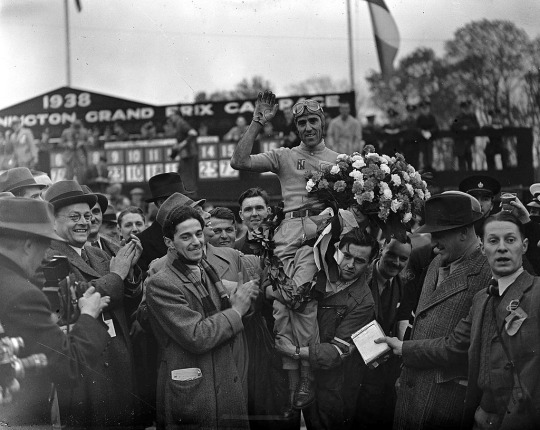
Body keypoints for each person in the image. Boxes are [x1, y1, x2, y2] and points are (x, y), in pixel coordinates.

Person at [379, 212, 540, 430]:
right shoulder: (482, 299)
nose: (502, 248)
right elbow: (454, 345)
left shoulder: (536, 293)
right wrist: (403, 348)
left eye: (510, 240)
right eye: (493, 241)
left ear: (525, 245)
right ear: (483, 248)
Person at [231, 91, 339, 410]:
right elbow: (239, 161)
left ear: (323, 123)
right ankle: (293, 381)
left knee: (300, 299)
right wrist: (257, 122)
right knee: (281, 307)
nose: (308, 127)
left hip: (315, 234)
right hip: (285, 233)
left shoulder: (340, 161)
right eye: (302, 123)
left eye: (313, 120)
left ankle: (306, 375)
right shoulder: (285, 156)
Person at [0, 197, 110, 427]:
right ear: (28, 245)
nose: (44, 257)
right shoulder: (24, 295)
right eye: (44, 246)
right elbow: (68, 368)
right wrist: (88, 316)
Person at [145, 205, 258, 429]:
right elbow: (196, 336)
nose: (196, 242)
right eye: (186, 237)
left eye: (198, 233)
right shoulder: (161, 283)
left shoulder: (205, 270)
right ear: (169, 242)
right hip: (195, 391)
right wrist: (236, 310)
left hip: (223, 383)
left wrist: (241, 300)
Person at [42, 180, 143, 428]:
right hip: (86, 369)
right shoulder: (48, 257)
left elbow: (125, 299)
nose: (84, 222)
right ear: (52, 220)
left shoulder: (97, 254)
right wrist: (117, 275)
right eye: (74, 216)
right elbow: (76, 299)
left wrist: (130, 273)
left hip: (117, 362)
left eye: (87, 216)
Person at [391, 192, 492, 430]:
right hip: (411, 393)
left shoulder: (487, 273)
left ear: (464, 232)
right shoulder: (437, 262)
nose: (433, 244)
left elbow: (463, 346)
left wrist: (405, 350)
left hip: (445, 401)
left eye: (439, 235)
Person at [276, 228, 378, 429]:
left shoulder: (364, 302)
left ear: (370, 262)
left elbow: (338, 351)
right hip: (291, 375)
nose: (350, 265)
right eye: (346, 256)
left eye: (359, 261)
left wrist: (293, 351)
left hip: (329, 386)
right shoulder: (316, 268)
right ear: (337, 249)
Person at [354, 237, 413, 430]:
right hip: (355, 365)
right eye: (392, 255)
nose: (396, 263)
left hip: (384, 369)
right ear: (381, 250)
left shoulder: (404, 284)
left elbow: (402, 321)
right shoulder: (359, 276)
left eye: (403, 258)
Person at [137, 172, 201, 274]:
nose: (185, 202)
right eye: (178, 199)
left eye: (184, 197)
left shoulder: (198, 232)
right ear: (161, 203)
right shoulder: (142, 242)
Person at [81, 185, 120, 258]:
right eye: (86, 213)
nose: (92, 219)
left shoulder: (117, 247)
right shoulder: (67, 253)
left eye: (96, 211)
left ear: (102, 214)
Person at [234, 187, 271, 255]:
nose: (254, 214)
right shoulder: (234, 249)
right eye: (248, 209)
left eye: (259, 208)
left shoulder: (284, 243)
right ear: (241, 215)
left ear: (268, 211)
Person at [451, 100, 479, 171]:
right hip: (460, 144)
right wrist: (461, 127)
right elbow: (453, 126)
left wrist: (468, 127)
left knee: (470, 162)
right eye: (464, 107)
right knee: (461, 163)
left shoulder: (472, 117)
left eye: (467, 107)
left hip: (469, 143)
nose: (466, 109)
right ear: (461, 108)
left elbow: (477, 126)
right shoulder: (458, 117)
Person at [416, 99, 439, 170]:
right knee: (423, 154)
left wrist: (430, 132)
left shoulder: (432, 117)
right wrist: (422, 132)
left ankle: (431, 166)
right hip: (422, 140)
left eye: (426, 108)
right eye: (423, 108)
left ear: (429, 108)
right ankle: (424, 167)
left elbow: (436, 127)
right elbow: (416, 128)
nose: (425, 110)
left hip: (431, 139)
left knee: (431, 153)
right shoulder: (419, 118)